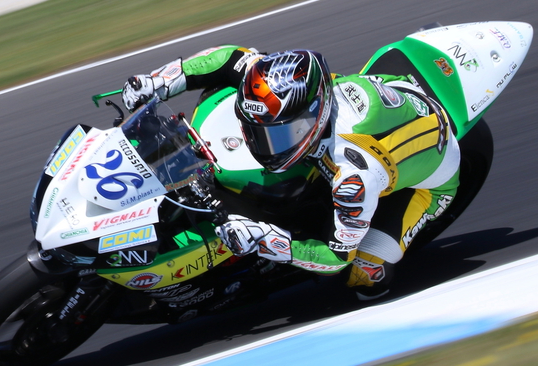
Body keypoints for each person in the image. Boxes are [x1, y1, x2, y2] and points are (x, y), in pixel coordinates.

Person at [122, 46, 460, 299]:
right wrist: (159, 81)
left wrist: (266, 240)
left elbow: (335, 258)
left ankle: (374, 273)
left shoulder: (352, 178)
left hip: (428, 181)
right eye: (255, 131)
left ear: (315, 117)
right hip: (390, 96)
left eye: (277, 135)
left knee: (363, 274)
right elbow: (229, 58)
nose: (260, 144)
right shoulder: (283, 88)